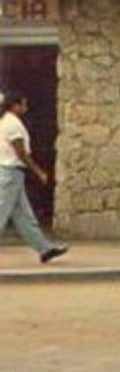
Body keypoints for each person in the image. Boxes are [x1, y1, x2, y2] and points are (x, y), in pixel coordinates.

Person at [0, 93, 68, 265]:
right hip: (11, 172)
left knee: (24, 216)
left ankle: (44, 249)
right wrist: (38, 172)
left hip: (11, 173)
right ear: (15, 106)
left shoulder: (6, 121)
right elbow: (21, 153)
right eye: (23, 104)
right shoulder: (13, 125)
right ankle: (44, 248)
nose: (26, 107)